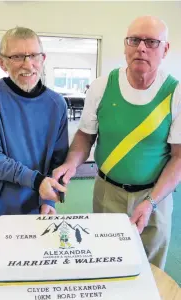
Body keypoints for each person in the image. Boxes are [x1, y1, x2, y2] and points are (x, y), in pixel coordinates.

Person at [53, 16, 181, 269]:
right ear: (125, 46)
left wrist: (151, 201)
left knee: (150, 268)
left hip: (155, 196)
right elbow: (85, 135)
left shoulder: (175, 94)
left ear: (165, 49)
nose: (141, 47)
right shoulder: (102, 86)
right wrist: (71, 163)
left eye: (152, 42)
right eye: (134, 40)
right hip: (106, 192)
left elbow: (179, 156)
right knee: (105, 261)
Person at [0, 27, 68, 221]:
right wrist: (37, 181)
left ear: (43, 59)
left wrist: (49, 201)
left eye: (34, 56)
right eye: (17, 57)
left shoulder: (57, 104)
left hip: (37, 210)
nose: (28, 65)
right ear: (2, 62)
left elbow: (58, 160)